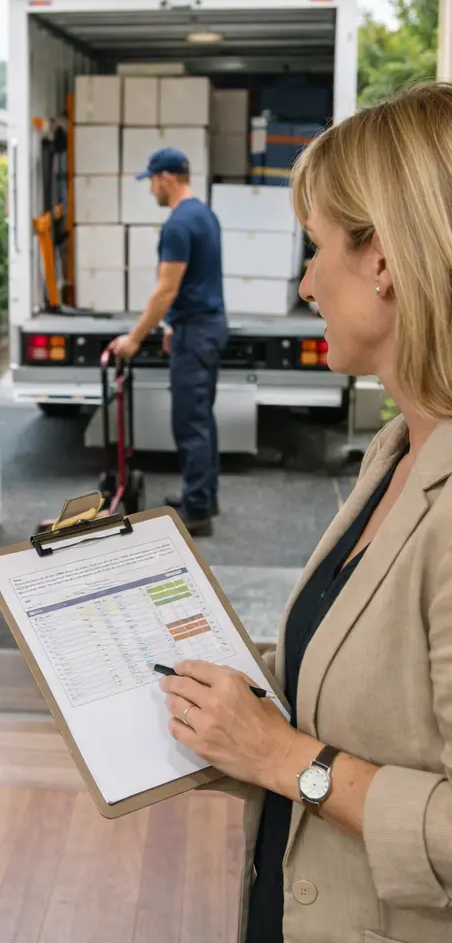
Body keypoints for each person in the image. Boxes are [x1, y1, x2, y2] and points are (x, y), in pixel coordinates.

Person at [158, 81, 452, 943]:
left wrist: (284, 760)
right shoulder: (398, 450)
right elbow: (346, 684)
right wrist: (206, 691)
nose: (304, 280)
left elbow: (300, 757)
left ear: (386, 259)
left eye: (316, 247)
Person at [110, 147, 226, 536]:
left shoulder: (177, 225)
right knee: (202, 418)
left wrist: (134, 339)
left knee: (189, 422)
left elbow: (166, 290)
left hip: (197, 333)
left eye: (152, 182)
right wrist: (173, 325)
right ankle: (203, 497)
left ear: (167, 178)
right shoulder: (205, 214)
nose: (151, 191)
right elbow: (200, 280)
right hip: (206, 326)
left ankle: (197, 513)